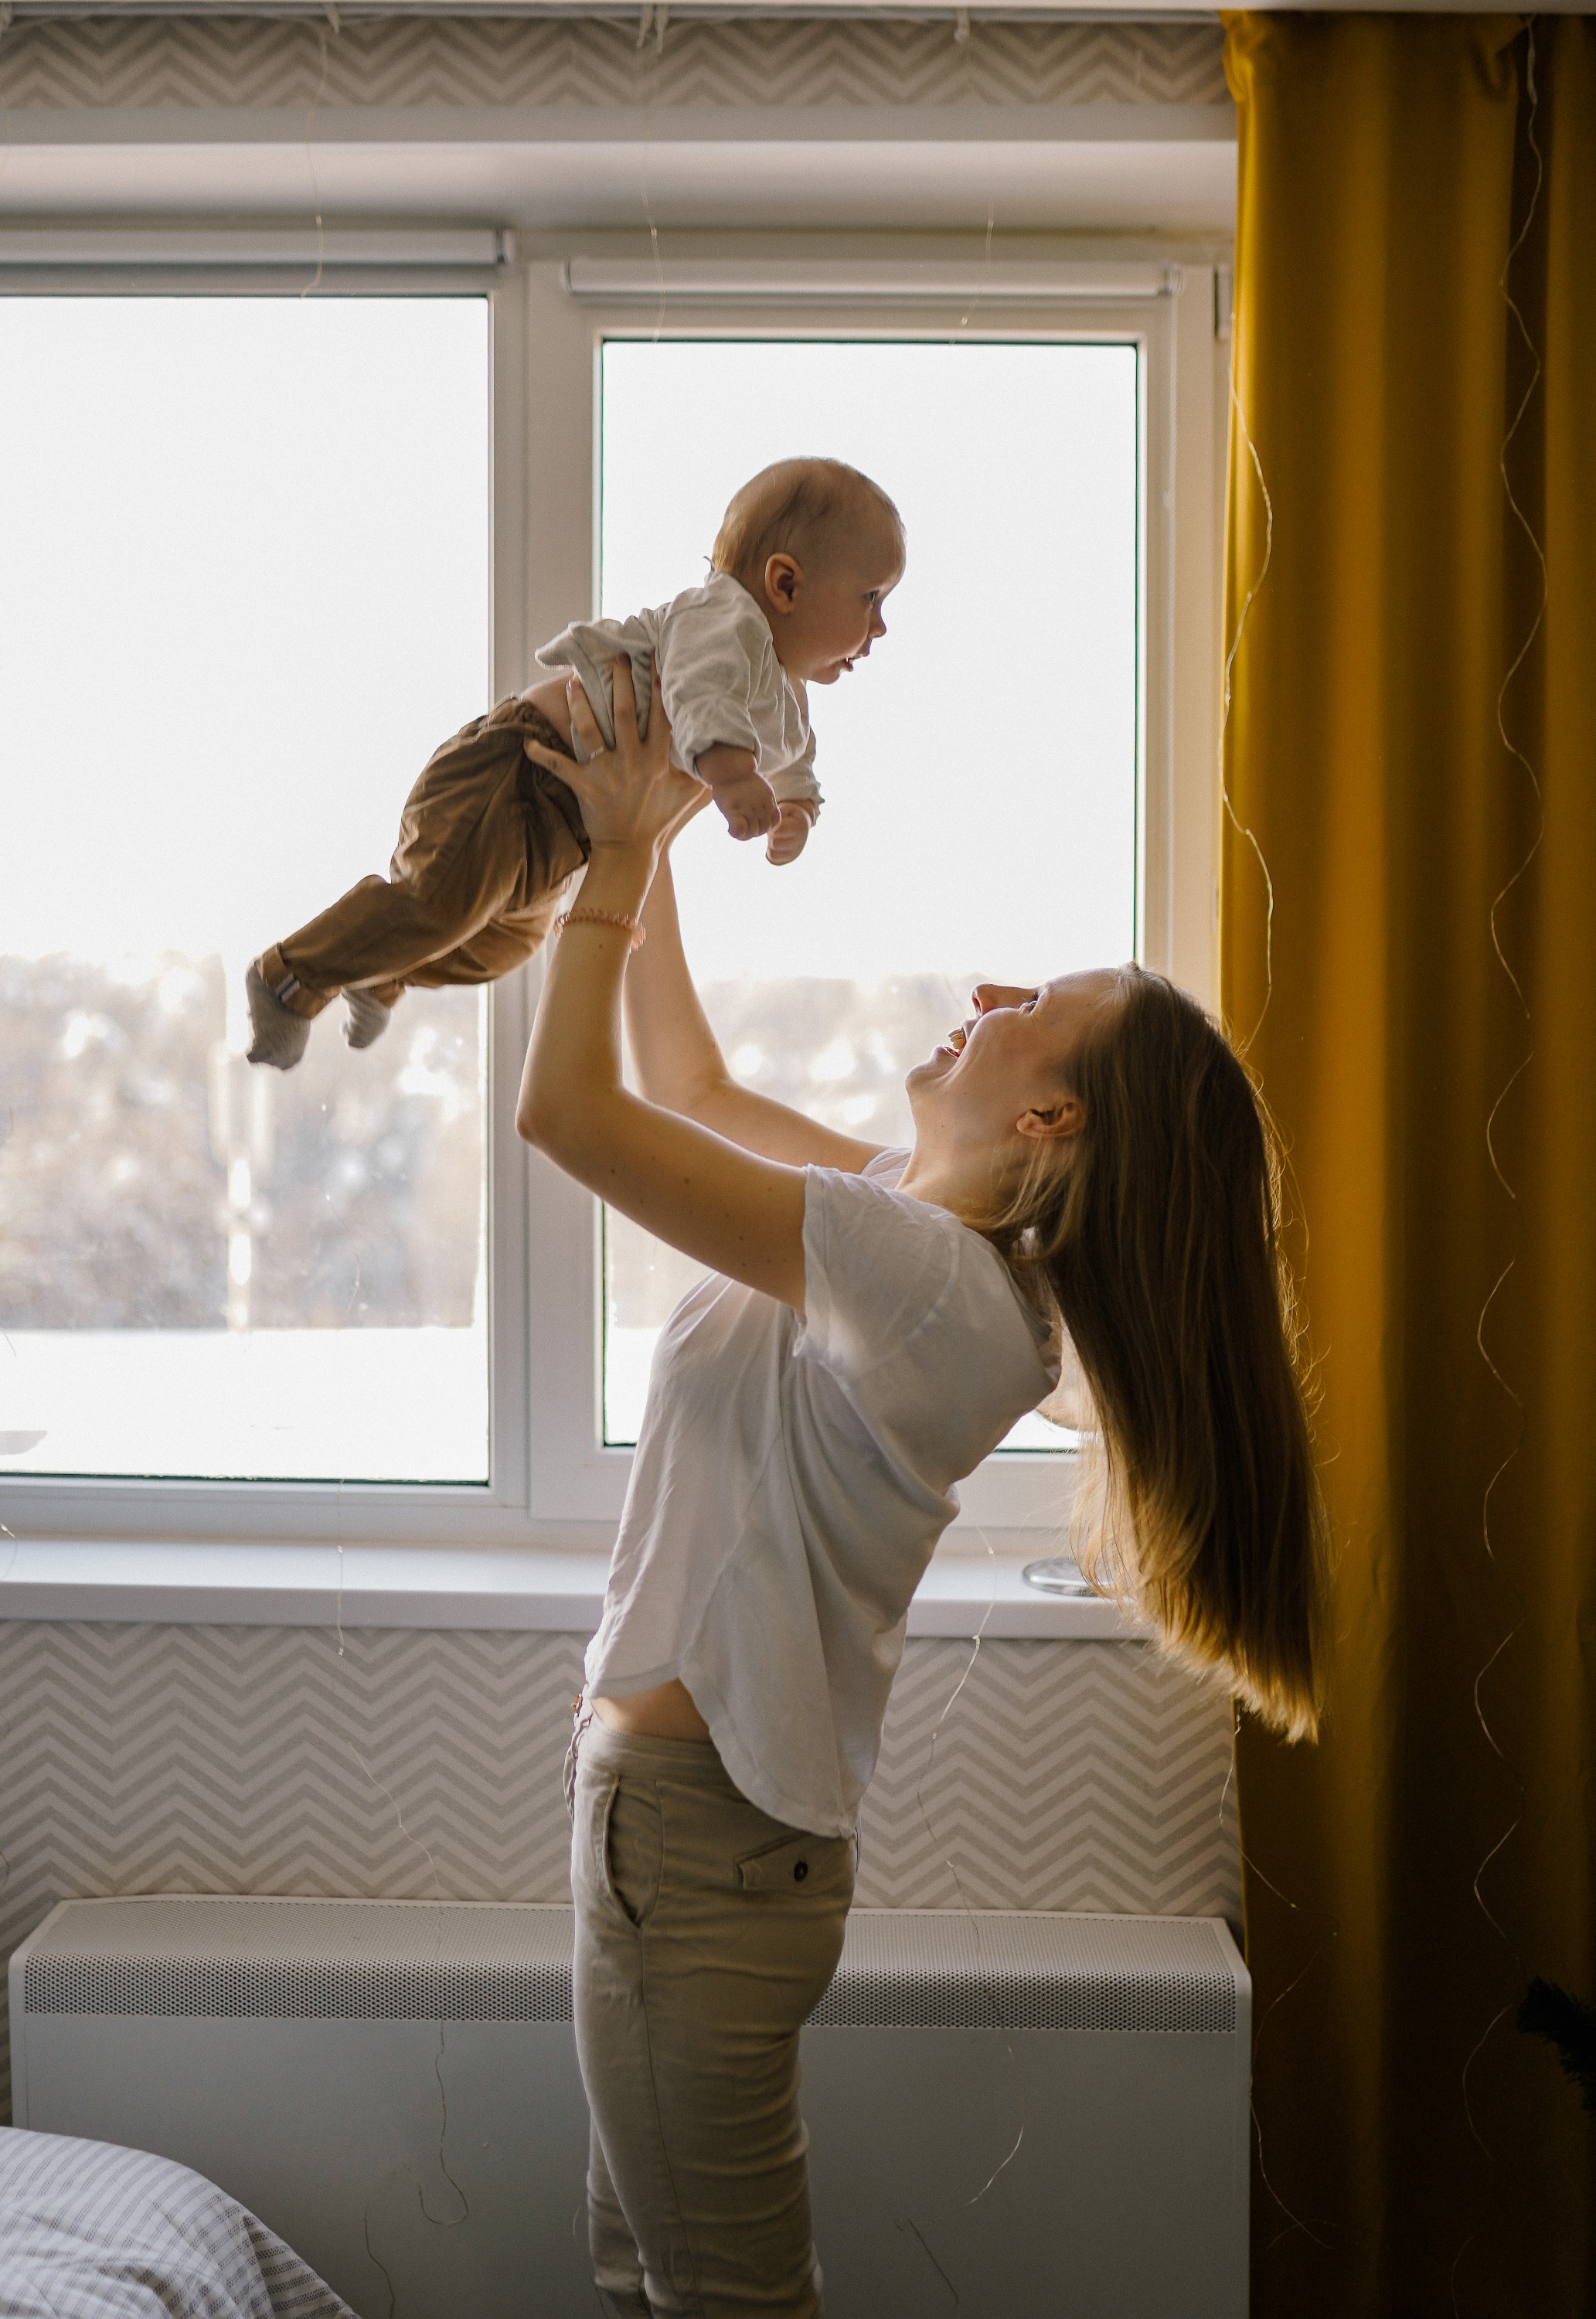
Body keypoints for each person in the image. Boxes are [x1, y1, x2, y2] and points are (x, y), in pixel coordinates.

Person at [516, 669, 1332, 2319]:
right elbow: (685, 1088)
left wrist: (606, 860)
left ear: (1047, 1116)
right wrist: (656, 813)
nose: (986, 987)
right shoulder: (918, 1245)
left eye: (1036, 1000)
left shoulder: (920, 1283)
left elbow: (571, 1113)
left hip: (695, 1845)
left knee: (721, 2300)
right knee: (650, 2283)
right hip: (690, 1839)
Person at [243, 458, 904, 1070]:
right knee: (439, 904)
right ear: (784, 584)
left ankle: (382, 970)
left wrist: (797, 811)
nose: (879, 627)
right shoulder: (722, 619)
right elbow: (697, 693)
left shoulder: (785, 696)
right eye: (869, 598)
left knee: (503, 944)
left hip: (571, 830)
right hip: (518, 770)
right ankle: (289, 978)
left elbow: (795, 762)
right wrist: (732, 777)